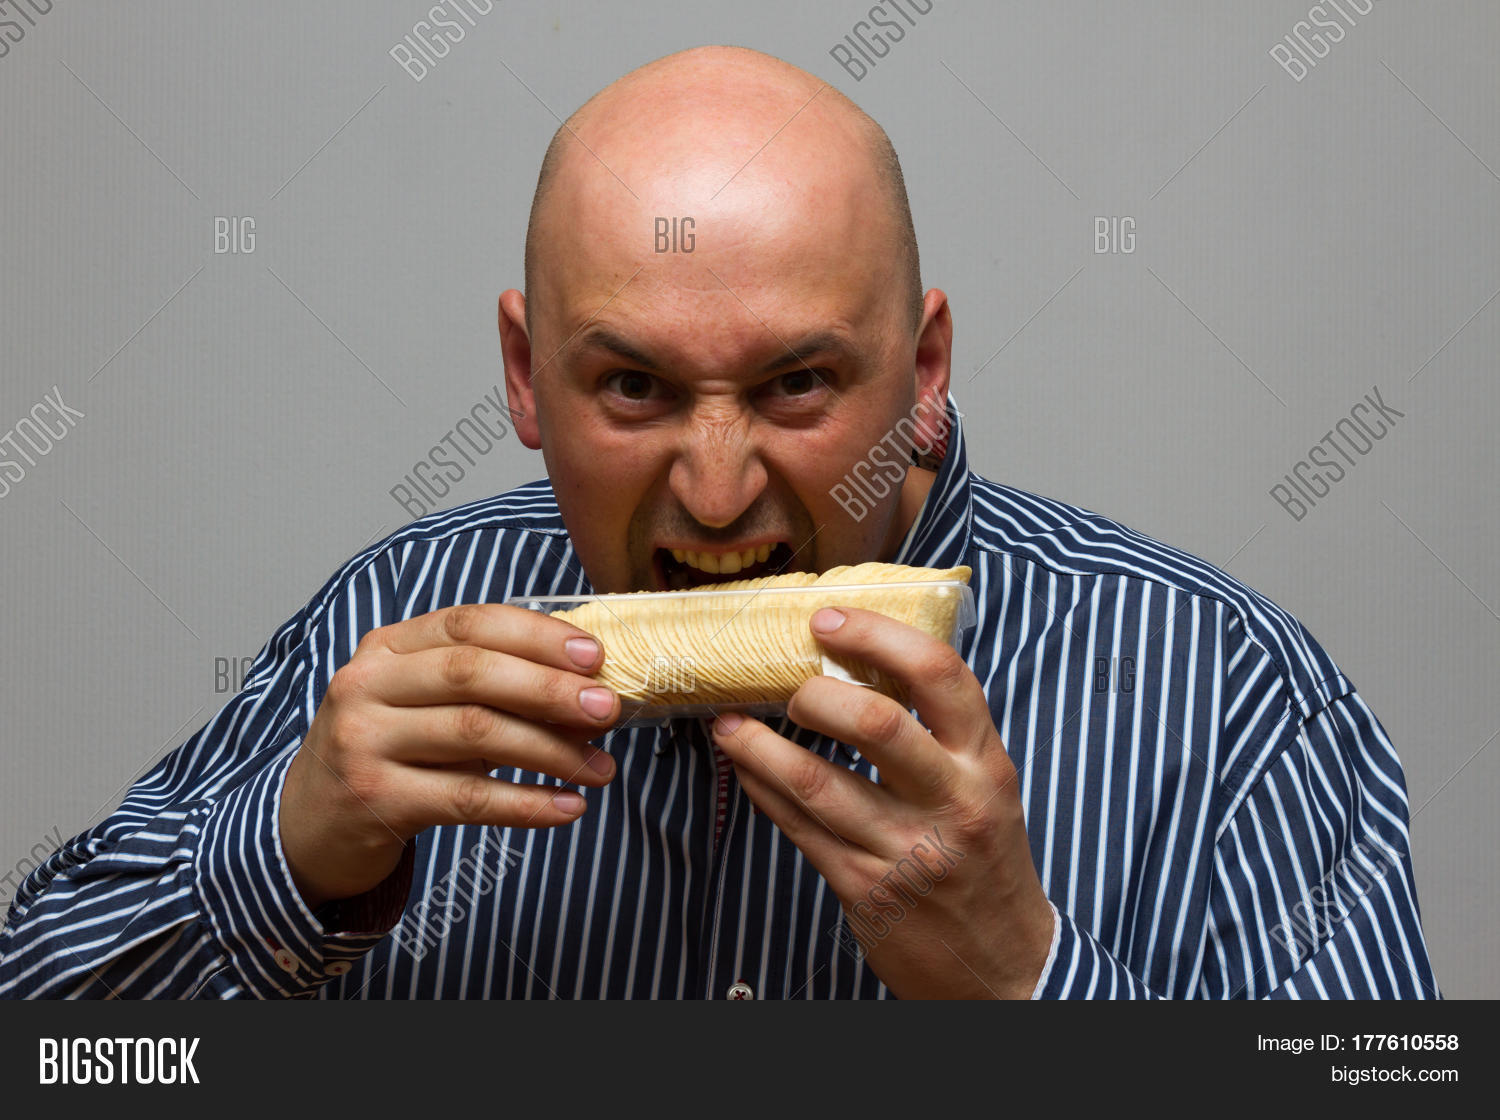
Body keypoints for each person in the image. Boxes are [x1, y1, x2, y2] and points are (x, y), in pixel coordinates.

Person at [0, 46, 1437, 999]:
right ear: (521, 377)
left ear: (923, 373)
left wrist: (1029, 985)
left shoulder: (1236, 694)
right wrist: (287, 857)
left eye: (799, 383)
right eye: (631, 386)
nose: (714, 487)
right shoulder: (397, 622)